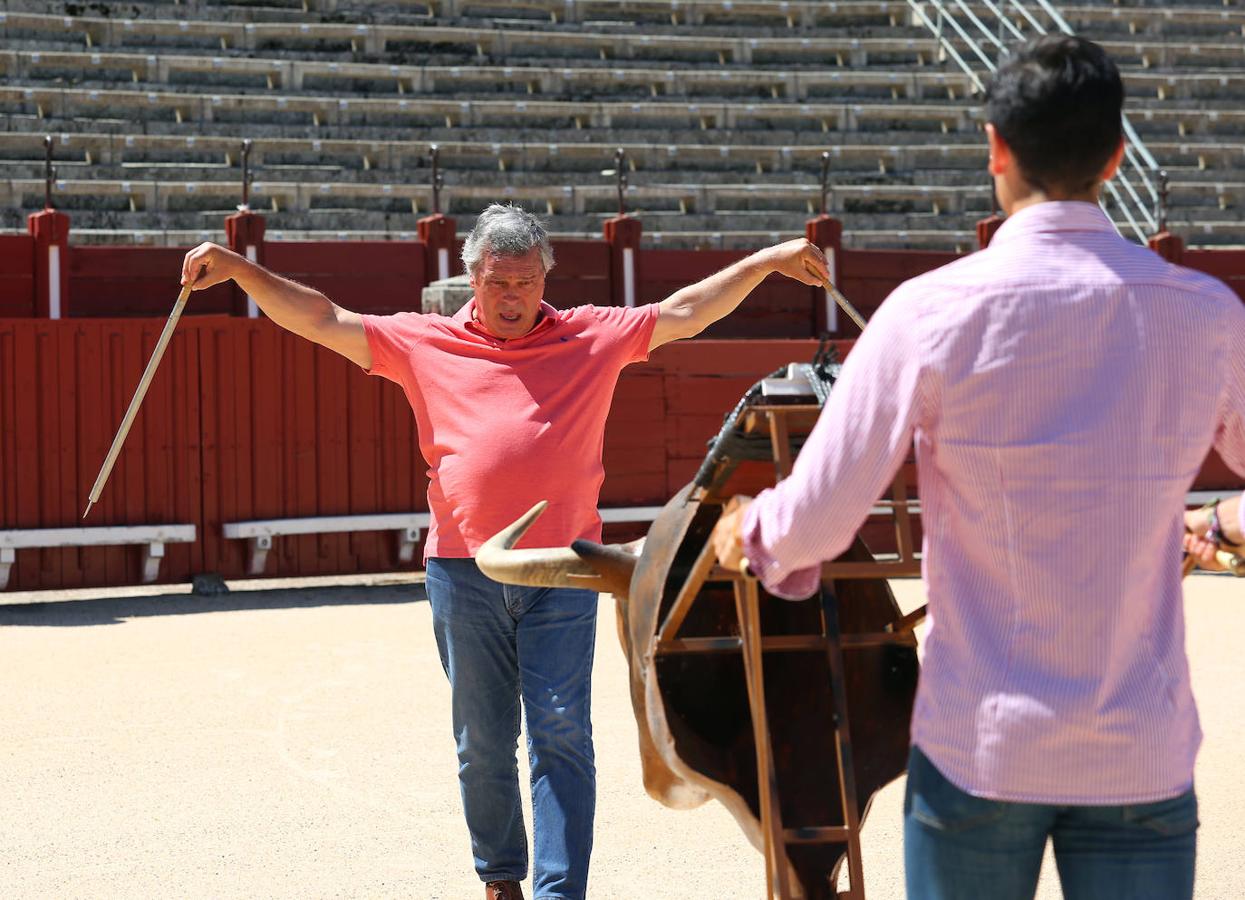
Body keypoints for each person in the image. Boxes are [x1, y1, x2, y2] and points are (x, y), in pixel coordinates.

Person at [711, 36, 1245, 900]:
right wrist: (1222, 526)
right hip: (1136, 746)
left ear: (995, 148)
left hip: (981, 741)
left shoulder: (930, 311)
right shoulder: (1206, 314)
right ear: (1115, 154)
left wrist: (756, 535)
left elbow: (817, 518)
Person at [179, 204, 830, 900]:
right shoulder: (422, 342)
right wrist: (240, 269)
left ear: (543, 277)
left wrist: (764, 262)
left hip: (565, 571)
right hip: (464, 571)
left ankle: (558, 892)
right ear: (471, 279)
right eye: (498, 283)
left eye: (524, 282)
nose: (512, 297)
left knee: (561, 735)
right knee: (482, 745)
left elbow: (685, 311)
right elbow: (322, 318)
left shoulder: (589, 333)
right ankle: (500, 877)